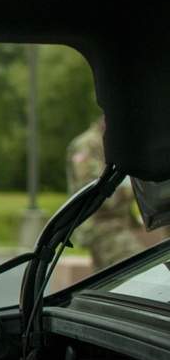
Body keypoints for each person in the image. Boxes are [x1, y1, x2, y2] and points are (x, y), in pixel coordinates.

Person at [66, 115, 144, 269]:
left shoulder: (110, 142)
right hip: (100, 225)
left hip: (114, 223)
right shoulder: (87, 145)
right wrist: (136, 191)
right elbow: (93, 192)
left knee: (107, 281)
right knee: (139, 267)